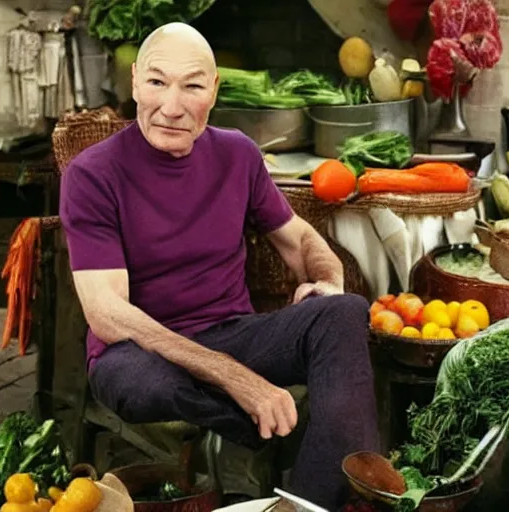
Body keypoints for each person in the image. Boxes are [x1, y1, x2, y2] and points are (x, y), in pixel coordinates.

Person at [59, 22, 379, 510]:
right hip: (139, 351)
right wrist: (239, 380)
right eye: (156, 82)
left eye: (191, 85)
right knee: (150, 384)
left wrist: (328, 282)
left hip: (233, 331)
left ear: (214, 90)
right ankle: (276, 435)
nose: (171, 106)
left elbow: (300, 240)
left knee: (345, 314)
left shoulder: (237, 153)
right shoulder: (93, 174)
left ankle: (310, 502)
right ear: (134, 84)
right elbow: (107, 314)